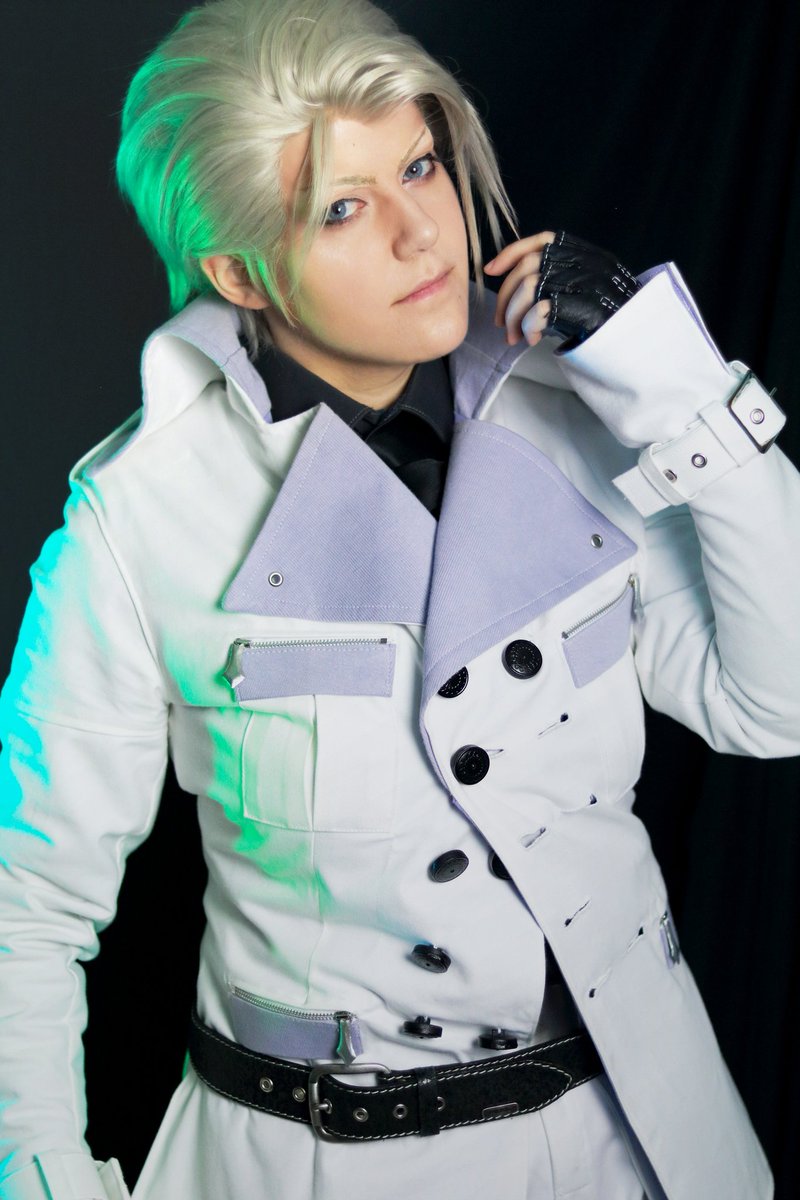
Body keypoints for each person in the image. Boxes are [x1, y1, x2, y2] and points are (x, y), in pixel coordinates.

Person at [0, 0, 798, 1197]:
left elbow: (775, 705)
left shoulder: (580, 406)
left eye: (419, 166)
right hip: (312, 1162)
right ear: (238, 269)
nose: (423, 232)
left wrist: (675, 380)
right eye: (341, 207)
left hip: (624, 1145)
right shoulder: (142, 512)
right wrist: (46, 1179)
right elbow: (26, 905)